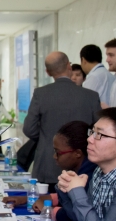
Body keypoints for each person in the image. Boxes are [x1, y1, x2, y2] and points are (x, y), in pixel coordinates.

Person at [53, 108, 116, 221]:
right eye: (92, 132)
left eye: (100, 135)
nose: (90, 139)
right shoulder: (99, 171)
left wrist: (77, 192)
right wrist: (66, 188)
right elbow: (84, 220)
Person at [22, 51, 102, 190]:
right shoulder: (91, 96)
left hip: (48, 165)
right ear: (69, 66)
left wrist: (47, 139)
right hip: (82, 165)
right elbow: (98, 130)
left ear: (47, 72)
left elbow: (29, 128)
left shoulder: (41, 94)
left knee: (43, 204)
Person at [22, 121, 96, 217]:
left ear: (77, 153)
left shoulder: (89, 177)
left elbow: (76, 213)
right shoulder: (79, 170)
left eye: (58, 152)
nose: (54, 156)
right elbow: (69, 198)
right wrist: (49, 198)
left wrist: (50, 211)